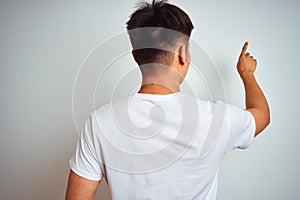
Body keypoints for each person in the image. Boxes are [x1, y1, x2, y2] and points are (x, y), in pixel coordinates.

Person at [65, 0, 270, 199]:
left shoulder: (99, 123)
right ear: (182, 53)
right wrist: (247, 74)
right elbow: (261, 114)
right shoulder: (217, 119)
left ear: (136, 56)